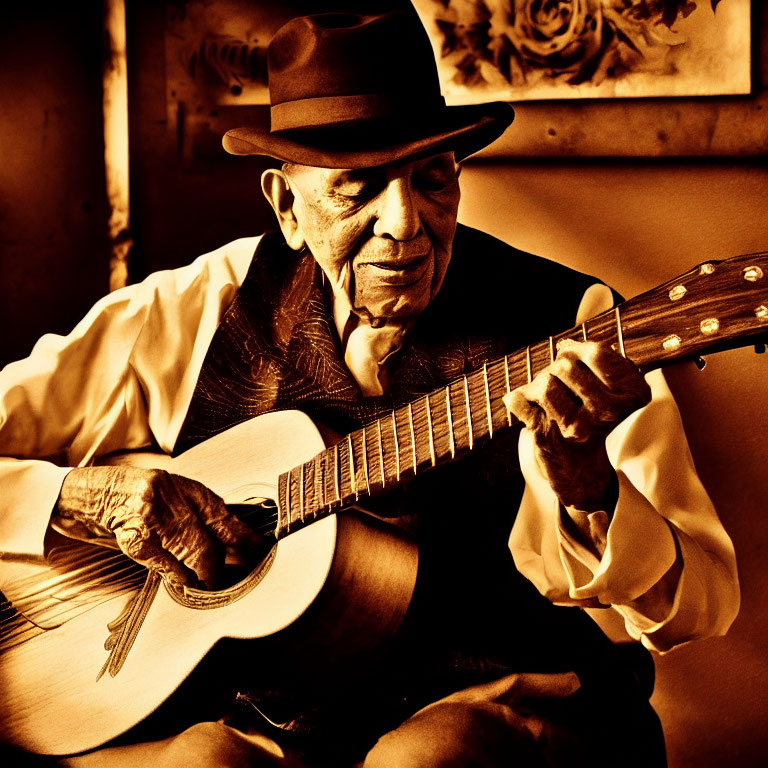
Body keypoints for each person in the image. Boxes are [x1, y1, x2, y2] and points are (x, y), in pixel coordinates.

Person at [0, 8, 739, 768]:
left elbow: (701, 606)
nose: (406, 224)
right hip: (272, 722)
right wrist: (75, 502)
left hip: (496, 706)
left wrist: (592, 492)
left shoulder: (570, 326)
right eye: (358, 189)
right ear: (287, 207)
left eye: (432, 179)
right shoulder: (208, 300)